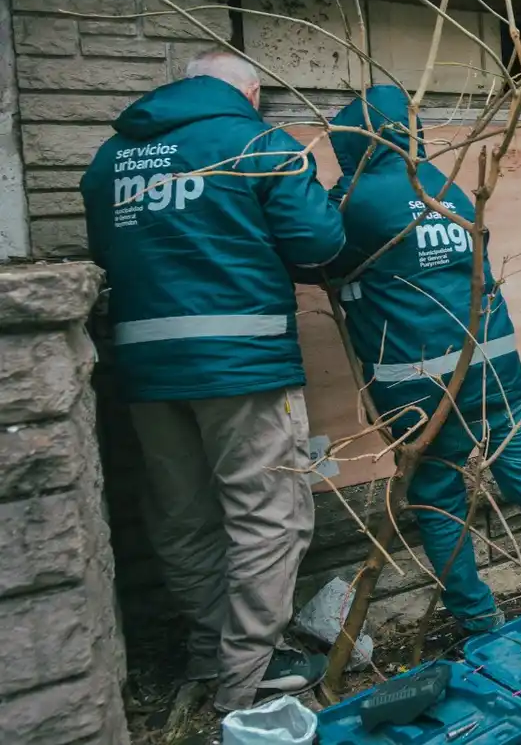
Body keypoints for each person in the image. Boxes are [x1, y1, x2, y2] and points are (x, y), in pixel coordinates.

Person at [80, 51, 346, 712]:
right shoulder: (256, 142)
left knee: (183, 516)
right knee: (268, 516)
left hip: (145, 368)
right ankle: (247, 676)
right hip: (243, 365)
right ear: (251, 92)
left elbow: (109, 252)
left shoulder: (112, 156)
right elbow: (318, 244)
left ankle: (209, 651)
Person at [322, 85, 521, 633]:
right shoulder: (451, 190)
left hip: (419, 388)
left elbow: (314, 255)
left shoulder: (355, 201)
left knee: (439, 499)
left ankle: (477, 619)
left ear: (354, 142)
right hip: (495, 369)